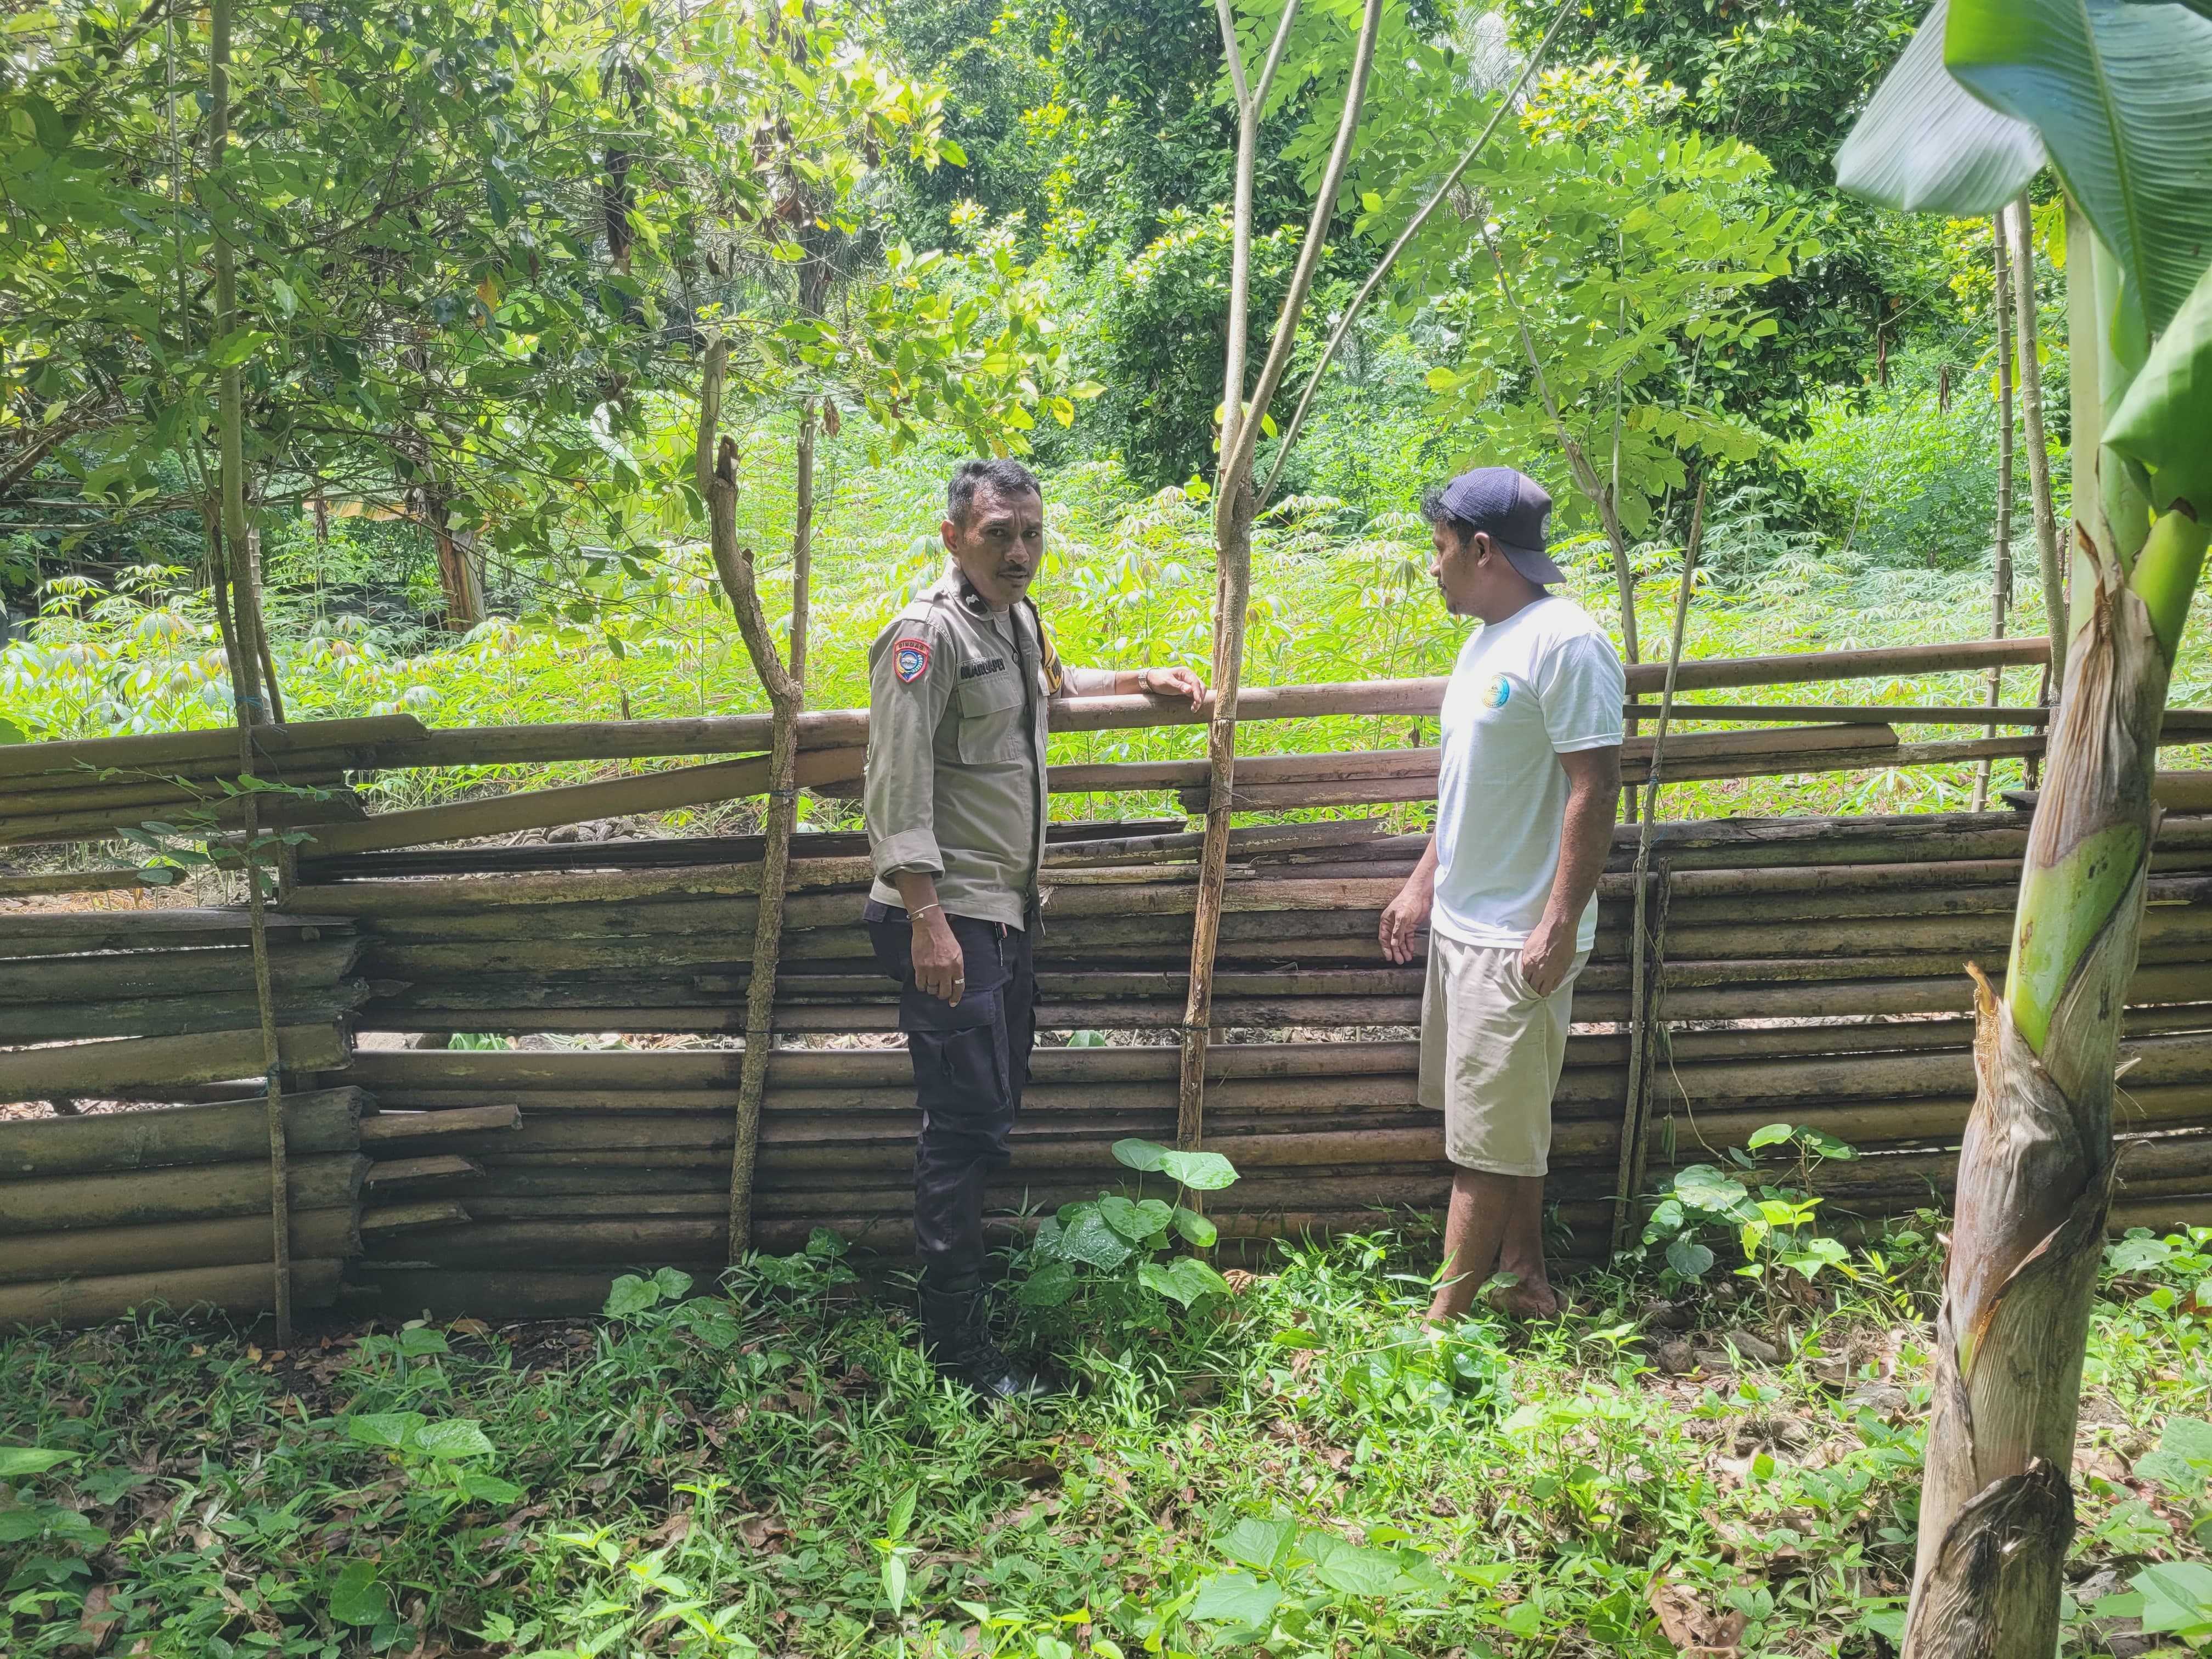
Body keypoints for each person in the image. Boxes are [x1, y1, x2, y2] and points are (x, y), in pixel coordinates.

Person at [862, 457, 1206, 1400]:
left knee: (985, 1116)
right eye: (997, 535)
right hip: (948, 917)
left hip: (1003, 916)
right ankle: (959, 1354)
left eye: (1031, 534)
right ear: (952, 539)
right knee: (961, 1131)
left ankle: (966, 1311)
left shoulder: (1013, 619)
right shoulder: (922, 639)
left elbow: (1045, 690)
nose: (1019, 552)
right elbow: (894, 793)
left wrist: (1140, 677)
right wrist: (929, 922)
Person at [1378, 466, 1624, 1324]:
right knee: (1502, 1119)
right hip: (1464, 922)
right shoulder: (1486, 638)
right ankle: (1525, 1279)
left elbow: (1594, 788)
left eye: (1440, 549)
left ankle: (1435, 1333)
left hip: (1518, 933)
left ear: (1484, 549)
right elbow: (1470, 789)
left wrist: (1557, 924)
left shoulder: (1567, 642)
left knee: (1481, 1149)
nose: (1434, 567)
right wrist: (1420, 886)